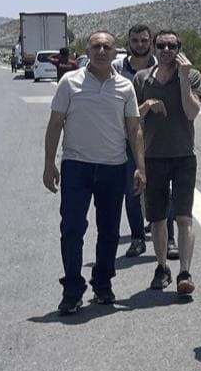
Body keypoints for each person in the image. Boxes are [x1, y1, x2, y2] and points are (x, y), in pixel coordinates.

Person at [42, 31, 145, 313]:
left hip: (113, 167)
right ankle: (72, 290)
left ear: (115, 53)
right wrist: (49, 163)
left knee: (109, 231)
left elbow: (134, 129)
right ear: (87, 51)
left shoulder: (125, 86)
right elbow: (55, 124)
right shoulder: (69, 82)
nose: (101, 51)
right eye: (96, 46)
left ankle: (103, 284)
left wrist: (140, 168)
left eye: (106, 47)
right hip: (76, 166)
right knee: (72, 228)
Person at [133, 30, 201, 296]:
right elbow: (132, 119)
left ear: (179, 49)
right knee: (158, 218)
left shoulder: (191, 76)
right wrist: (148, 105)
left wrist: (183, 79)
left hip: (183, 156)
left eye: (172, 46)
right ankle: (162, 267)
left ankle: (185, 272)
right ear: (154, 48)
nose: (166, 50)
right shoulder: (142, 79)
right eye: (161, 45)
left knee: (184, 217)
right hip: (153, 156)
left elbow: (191, 112)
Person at [113, 24, 155, 258]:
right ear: (128, 43)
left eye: (144, 40)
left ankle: (168, 239)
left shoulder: (161, 67)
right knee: (133, 189)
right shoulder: (117, 69)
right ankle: (137, 238)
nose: (140, 45)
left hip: (158, 139)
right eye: (135, 40)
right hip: (128, 138)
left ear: (151, 42)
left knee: (161, 190)